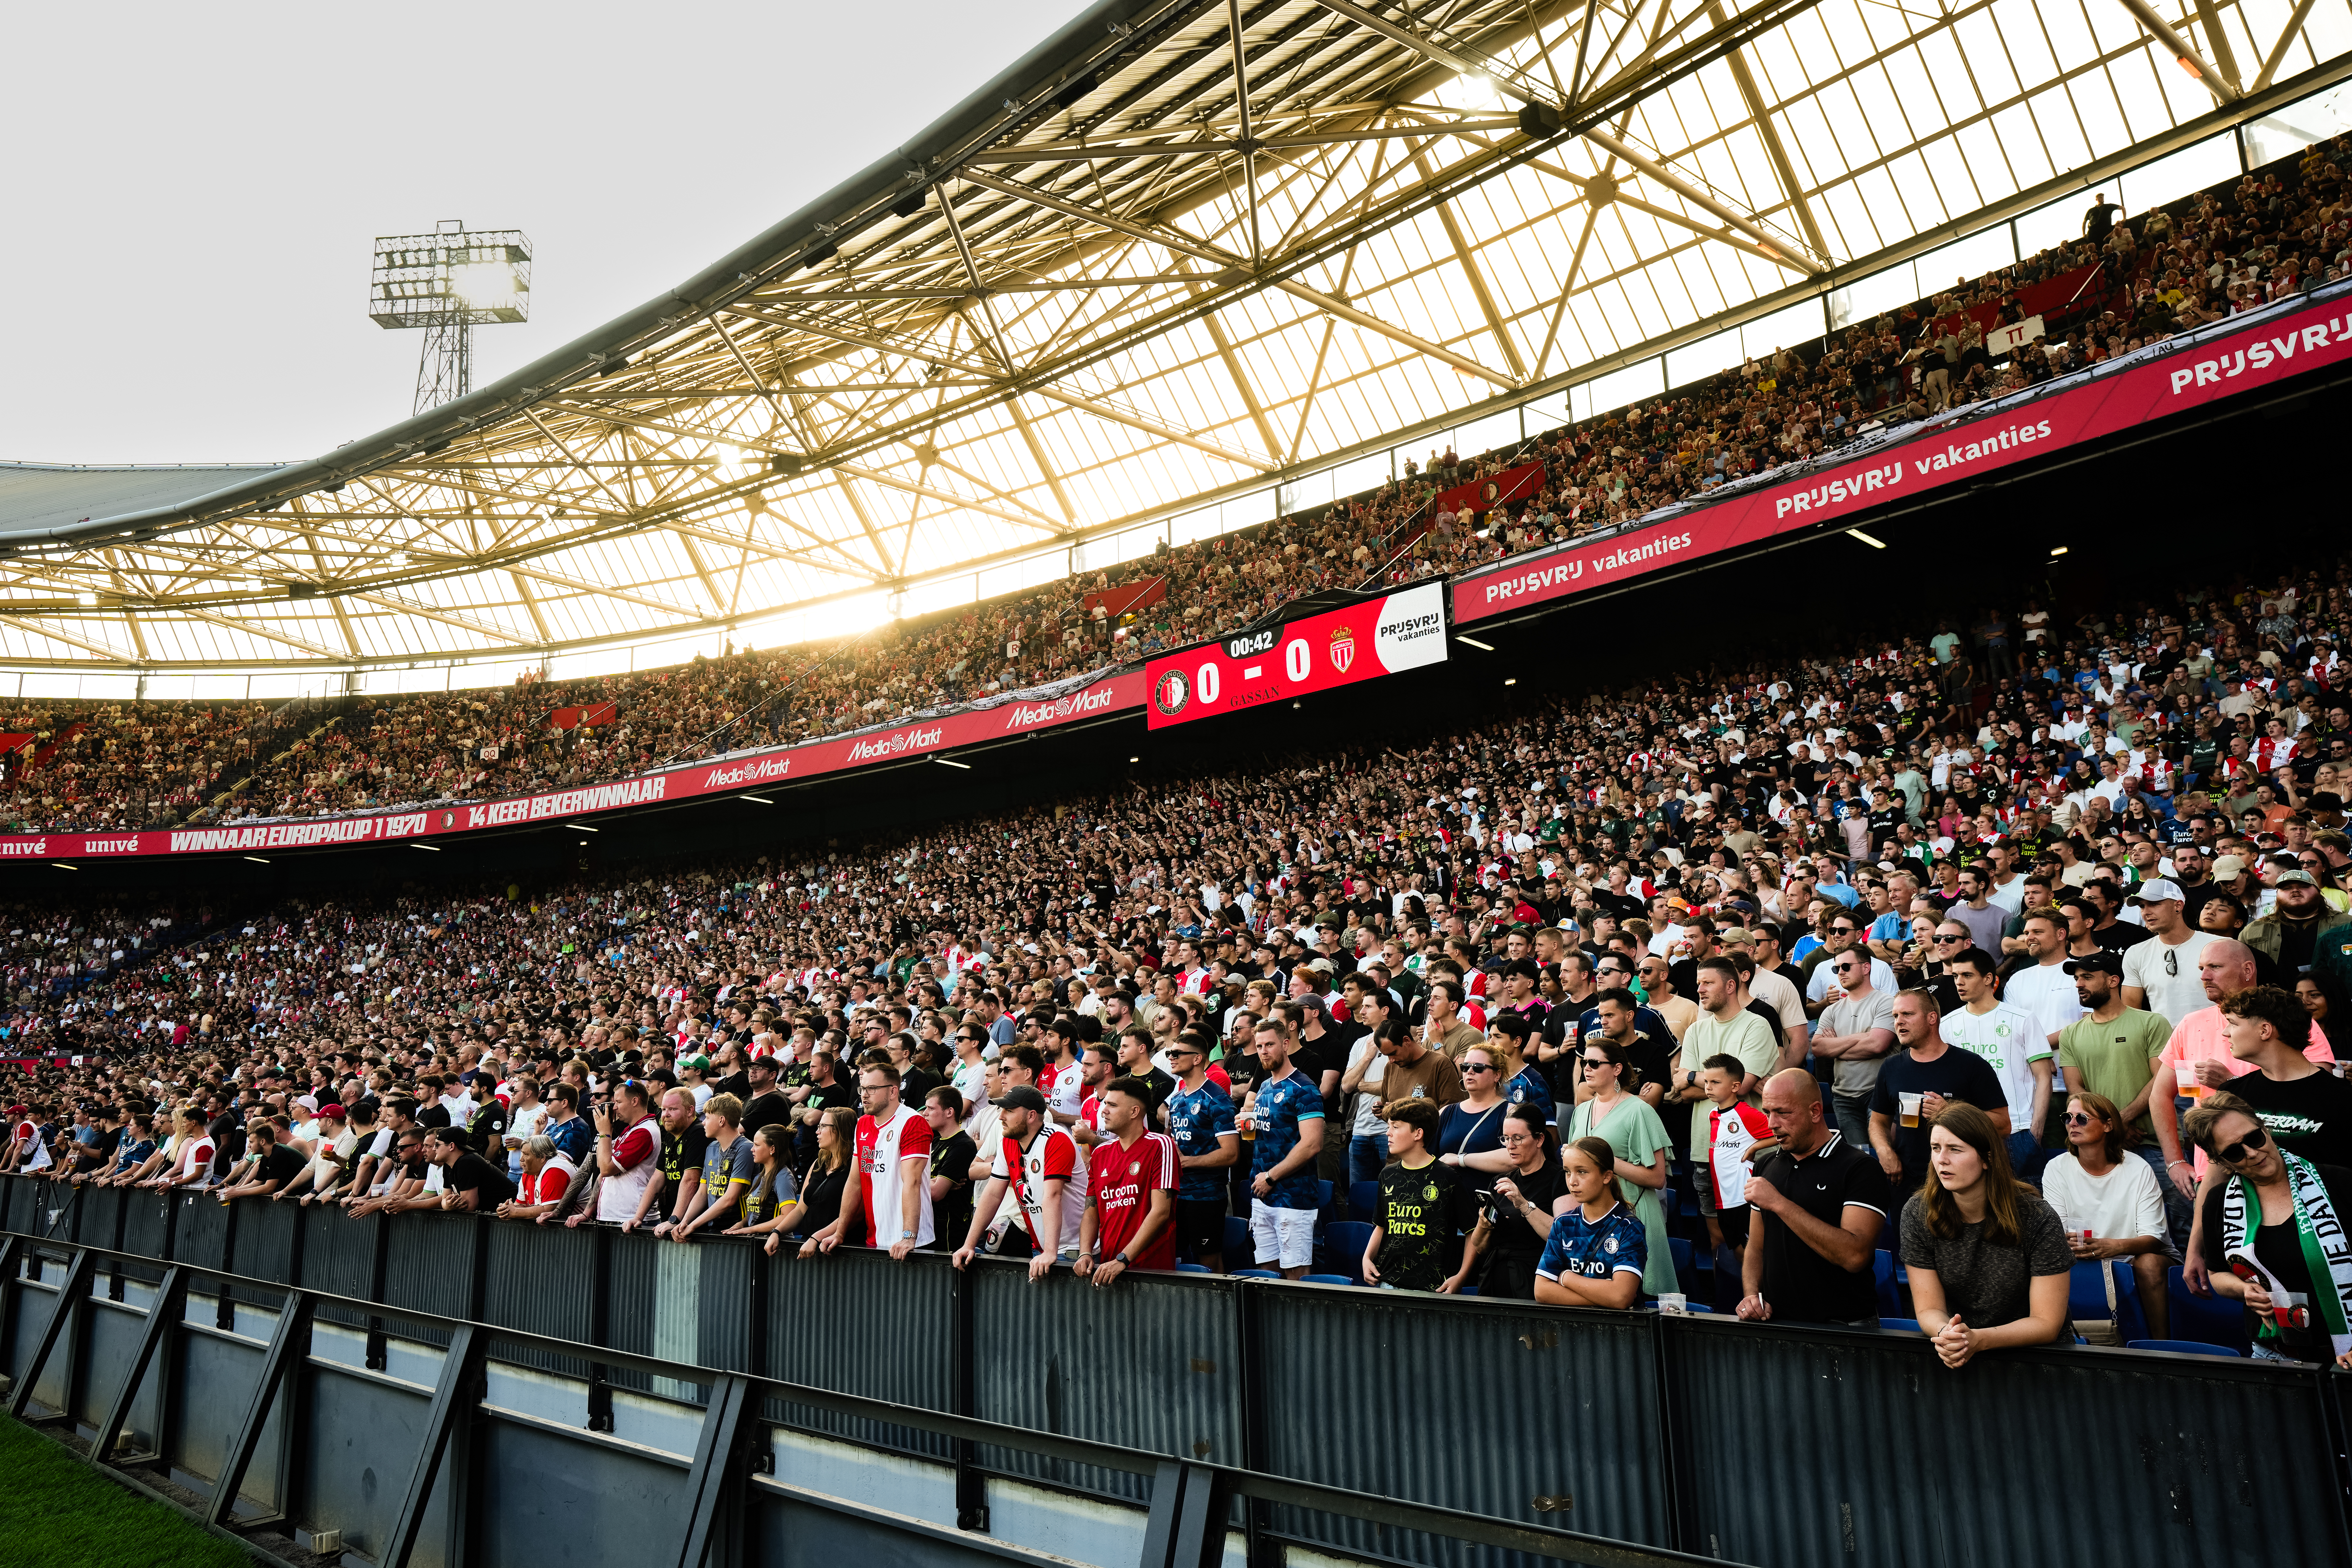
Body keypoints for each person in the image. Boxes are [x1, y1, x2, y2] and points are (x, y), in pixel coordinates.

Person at [2186, 1090, 2352, 1366]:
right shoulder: (2219, 1203)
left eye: (2254, 1138)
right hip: (2275, 1356)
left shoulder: (2339, 1182)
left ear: (2267, 1129)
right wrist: (2244, 1291)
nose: (2252, 1153)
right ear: (2223, 1162)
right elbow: (2217, 1273)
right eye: (2235, 1152)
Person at [1902, 1102, 2072, 1366]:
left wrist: (1978, 1339)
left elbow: (2046, 1322)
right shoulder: (1917, 1213)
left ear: (1988, 1158)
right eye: (1936, 1148)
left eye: (1955, 1149)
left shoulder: (2037, 1216)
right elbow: (1929, 1309)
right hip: (1961, 1355)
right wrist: (1947, 1334)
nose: (1942, 1159)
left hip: (2039, 1359)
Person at [1739, 1071, 1891, 1328]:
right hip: (1779, 1324)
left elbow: (1855, 1256)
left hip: (1845, 1327)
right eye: (1767, 1112)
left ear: (1816, 1111)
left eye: (1783, 1112)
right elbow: (1756, 1247)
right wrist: (1752, 1295)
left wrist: (1780, 1203)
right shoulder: (1766, 1164)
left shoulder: (1860, 1168)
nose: (1772, 1123)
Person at [2056, 949, 2182, 1241]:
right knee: (2118, 1231)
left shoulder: (2152, 1022)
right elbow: (2076, 1091)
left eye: (2087, 976)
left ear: (2113, 980)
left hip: (2154, 1144)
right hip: (2102, 1150)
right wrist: (2111, 1129)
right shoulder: (2071, 1034)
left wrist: (2119, 1121)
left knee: (2180, 1228)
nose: (2078, 984)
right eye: (2076, 978)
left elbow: (2161, 1080)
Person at [2040, 1089, 2173, 1339]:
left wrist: (2113, 1247)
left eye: (2082, 1118)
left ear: (2108, 1125)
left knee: (2151, 1263)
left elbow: (2154, 1237)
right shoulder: (2057, 1168)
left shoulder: (2137, 1168)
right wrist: (2082, 1246)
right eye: (2068, 1117)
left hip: (2132, 1254)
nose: (2072, 1123)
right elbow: (2057, 1230)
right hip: (2078, 1254)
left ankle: (2161, 1346)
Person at [1563, 1038, 1677, 1296]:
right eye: (1584, 1063)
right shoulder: (1580, 1112)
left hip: (1633, 1214)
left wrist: (1604, 1159)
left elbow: (1658, 1177)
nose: (1586, 1069)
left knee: (1637, 1299)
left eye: (1594, 1063)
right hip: (1592, 1218)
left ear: (1617, 1069)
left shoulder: (1640, 1110)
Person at [1869, 989, 2010, 1194]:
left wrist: (1951, 1112)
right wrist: (1884, 1152)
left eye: (1907, 1014)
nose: (1899, 1022)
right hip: (1907, 1183)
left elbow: (2004, 1125)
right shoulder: (1891, 1067)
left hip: (1961, 1186)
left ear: (1932, 1018)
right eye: (1895, 1016)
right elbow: (1878, 1121)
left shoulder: (1970, 1065)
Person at [955, 1085, 1087, 1279]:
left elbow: (1052, 1196)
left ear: (1032, 1116)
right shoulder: (1009, 1142)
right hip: (1042, 1249)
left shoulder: (1056, 1139)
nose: (1001, 1117)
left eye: (1009, 1111)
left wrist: (1050, 1252)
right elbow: (992, 1194)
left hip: (1071, 1251)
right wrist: (969, 1245)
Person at [817, 1061, 934, 1260]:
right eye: (863, 1088)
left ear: (893, 1091)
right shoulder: (862, 1123)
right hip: (875, 1238)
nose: (864, 1094)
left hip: (911, 1242)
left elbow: (912, 1183)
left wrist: (908, 1237)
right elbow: (855, 1182)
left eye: (872, 1088)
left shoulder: (913, 1122)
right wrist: (840, 1232)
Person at [1452, 1103, 1568, 1298]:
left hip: (1535, 1281)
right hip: (1495, 1280)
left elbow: (1563, 1238)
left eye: (1518, 1138)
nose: (1510, 1145)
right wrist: (1484, 1224)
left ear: (1540, 1139)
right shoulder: (1499, 1182)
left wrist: (1524, 1205)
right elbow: (1480, 1247)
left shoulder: (1559, 1178)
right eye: (1506, 1138)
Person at [1241, 1019, 1327, 1279]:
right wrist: (1246, 1125)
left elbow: (1312, 1144)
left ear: (1286, 1044)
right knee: (1267, 1273)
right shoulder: (1265, 1086)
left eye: (1270, 1044)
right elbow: (1259, 1137)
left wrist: (1271, 1177)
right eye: (1259, 1046)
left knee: (1296, 1274)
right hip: (1263, 1194)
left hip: (1293, 1196)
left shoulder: (1305, 1088)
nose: (1264, 1051)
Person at [1363, 1097, 1476, 1292]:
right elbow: (1382, 1225)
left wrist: (1462, 1276)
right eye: (1389, 1126)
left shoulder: (1447, 1177)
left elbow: (1472, 1231)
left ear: (1418, 1134)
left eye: (1396, 1127)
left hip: (1431, 1288)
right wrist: (1367, 1258)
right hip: (1387, 1283)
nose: (1388, 1133)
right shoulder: (1387, 1175)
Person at [1075, 1076, 1179, 1284]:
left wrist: (1123, 1259)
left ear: (1134, 1112)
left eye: (1112, 1105)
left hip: (1151, 1272)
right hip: (1108, 1269)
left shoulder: (1161, 1145)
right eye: (1105, 1103)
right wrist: (1085, 1252)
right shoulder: (1100, 1153)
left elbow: (1160, 1212)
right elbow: (1091, 1209)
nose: (1104, 1110)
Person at [1532, 1137, 1650, 1310]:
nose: (1572, 1181)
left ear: (1607, 1176)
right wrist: (1604, 1299)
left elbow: (1621, 1297)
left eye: (1582, 1172)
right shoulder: (1563, 1224)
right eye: (1567, 1172)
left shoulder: (1629, 1228)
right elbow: (1542, 1291)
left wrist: (1566, 1277)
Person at [1162, 1033, 1238, 1271]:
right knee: (1175, 1260)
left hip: (1206, 1198)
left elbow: (1231, 1154)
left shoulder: (1217, 1099)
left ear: (1197, 1059)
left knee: (1209, 1261)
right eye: (1169, 1053)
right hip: (1176, 1195)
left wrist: (1187, 1162)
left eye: (1177, 1054)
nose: (1171, 1058)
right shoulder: (1176, 1099)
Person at [1810, 947, 1897, 1147]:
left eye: (1846, 966)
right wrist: (1860, 1037)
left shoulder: (1887, 1003)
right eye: (1837, 968)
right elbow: (1818, 1048)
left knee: (1883, 1153)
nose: (1841, 972)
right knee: (1861, 1155)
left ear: (1866, 967)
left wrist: (1837, 1047)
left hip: (1877, 1093)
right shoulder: (1831, 1010)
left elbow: (1877, 1045)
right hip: (1843, 1097)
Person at [746, 1106, 854, 1259]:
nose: (817, 1132)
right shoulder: (818, 1163)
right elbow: (800, 1210)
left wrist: (816, 1238)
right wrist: (776, 1232)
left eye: (823, 1127)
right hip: (808, 1246)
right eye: (819, 1126)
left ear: (840, 1130)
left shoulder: (854, 1167)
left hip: (839, 1250)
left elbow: (853, 1214)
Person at [1698, 1054, 1775, 1257]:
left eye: (1715, 1082)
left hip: (1743, 1198)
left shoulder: (1746, 1114)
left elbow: (1781, 1132)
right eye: (1706, 1081)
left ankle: (1760, 1290)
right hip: (1723, 1198)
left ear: (1735, 1086)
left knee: (1753, 1251)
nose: (1708, 1087)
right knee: (1737, 1249)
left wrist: (1754, 1148)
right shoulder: (1713, 1114)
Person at [660, 1092, 756, 1242]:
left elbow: (730, 1199)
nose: (703, 1123)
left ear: (722, 1121)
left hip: (737, 1232)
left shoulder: (745, 1149)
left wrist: (694, 1225)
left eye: (708, 1118)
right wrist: (685, 1222)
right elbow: (702, 1193)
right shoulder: (712, 1147)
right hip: (714, 1229)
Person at [2119, 881, 2216, 1023]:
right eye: (2142, 906)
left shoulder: (2217, 946)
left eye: (2154, 904)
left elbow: (2237, 1001)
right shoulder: (2136, 953)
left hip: (2215, 1040)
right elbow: (2131, 1015)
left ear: (2178, 906)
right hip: (2164, 1043)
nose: (2146, 912)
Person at [924, 1085, 977, 1251]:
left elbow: (936, 1193)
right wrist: (931, 1181)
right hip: (932, 1226)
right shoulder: (936, 1141)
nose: (925, 1113)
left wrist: (919, 1182)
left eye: (931, 1109)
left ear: (949, 1112)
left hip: (950, 1231)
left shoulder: (963, 1145)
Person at [424, 1125, 519, 1212]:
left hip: (512, 1215)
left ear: (452, 1146)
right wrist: (447, 1206)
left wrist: (448, 1205)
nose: (434, 1149)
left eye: (437, 1145)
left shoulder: (467, 1162)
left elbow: (469, 1206)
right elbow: (444, 1200)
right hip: (493, 1216)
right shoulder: (448, 1165)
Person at [497, 1134, 579, 1222]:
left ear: (542, 1158)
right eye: (522, 1154)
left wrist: (516, 1212)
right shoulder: (530, 1171)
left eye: (526, 1155)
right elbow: (522, 1204)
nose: (521, 1159)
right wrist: (507, 1209)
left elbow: (549, 1211)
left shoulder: (555, 1170)